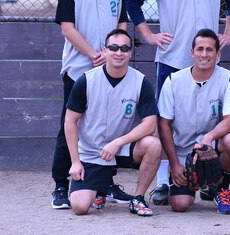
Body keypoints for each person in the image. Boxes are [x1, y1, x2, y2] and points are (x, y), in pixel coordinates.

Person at [126, 0, 230, 205]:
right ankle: (165, 179)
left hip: (205, 58)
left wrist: (227, 33)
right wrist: (148, 35)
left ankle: (209, 179)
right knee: (166, 121)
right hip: (173, 57)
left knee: (208, 117)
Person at [52, 0, 131, 209]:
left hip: (111, 68)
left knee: (107, 127)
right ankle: (61, 184)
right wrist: (94, 54)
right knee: (70, 124)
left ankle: (105, 183)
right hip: (79, 68)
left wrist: (114, 50)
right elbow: (67, 28)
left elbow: (122, 22)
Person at [63, 29, 161, 216]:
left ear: (131, 53)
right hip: (92, 151)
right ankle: (101, 188)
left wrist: (118, 142)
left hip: (122, 147)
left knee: (153, 144)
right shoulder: (86, 80)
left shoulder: (140, 82)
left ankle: (138, 199)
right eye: (114, 47)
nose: (119, 52)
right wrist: (75, 162)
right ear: (105, 50)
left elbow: (150, 124)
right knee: (80, 207)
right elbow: (70, 121)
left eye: (124, 48)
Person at [157, 29, 230, 214]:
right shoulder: (173, 80)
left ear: (218, 54)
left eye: (210, 50)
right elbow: (163, 124)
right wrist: (174, 164)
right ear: (191, 52)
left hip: (212, 148)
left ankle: (221, 189)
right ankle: (191, 183)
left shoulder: (229, 78)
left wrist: (209, 137)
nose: (204, 54)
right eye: (200, 49)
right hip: (183, 152)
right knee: (180, 204)